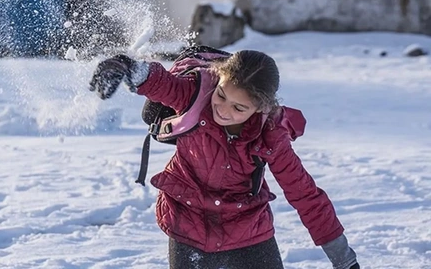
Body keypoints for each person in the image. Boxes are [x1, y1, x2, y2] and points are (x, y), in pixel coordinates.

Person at [88, 51, 360, 269]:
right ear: (217, 79)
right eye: (221, 95)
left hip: (248, 228)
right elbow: (160, 83)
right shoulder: (194, 95)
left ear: (261, 108)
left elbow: (305, 195)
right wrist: (124, 65)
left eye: (239, 107)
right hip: (187, 221)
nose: (223, 110)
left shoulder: (271, 137)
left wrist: (342, 257)